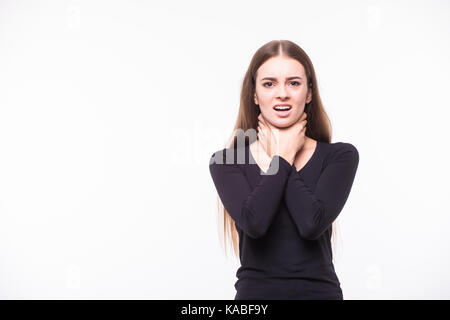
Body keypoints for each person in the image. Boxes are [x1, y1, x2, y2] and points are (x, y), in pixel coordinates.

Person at [208, 39, 359, 300]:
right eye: (269, 83)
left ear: (309, 93)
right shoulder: (226, 161)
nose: (282, 93)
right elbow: (255, 223)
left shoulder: (340, 156)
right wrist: (284, 155)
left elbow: (311, 224)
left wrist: (281, 157)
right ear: (254, 94)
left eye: (294, 82)